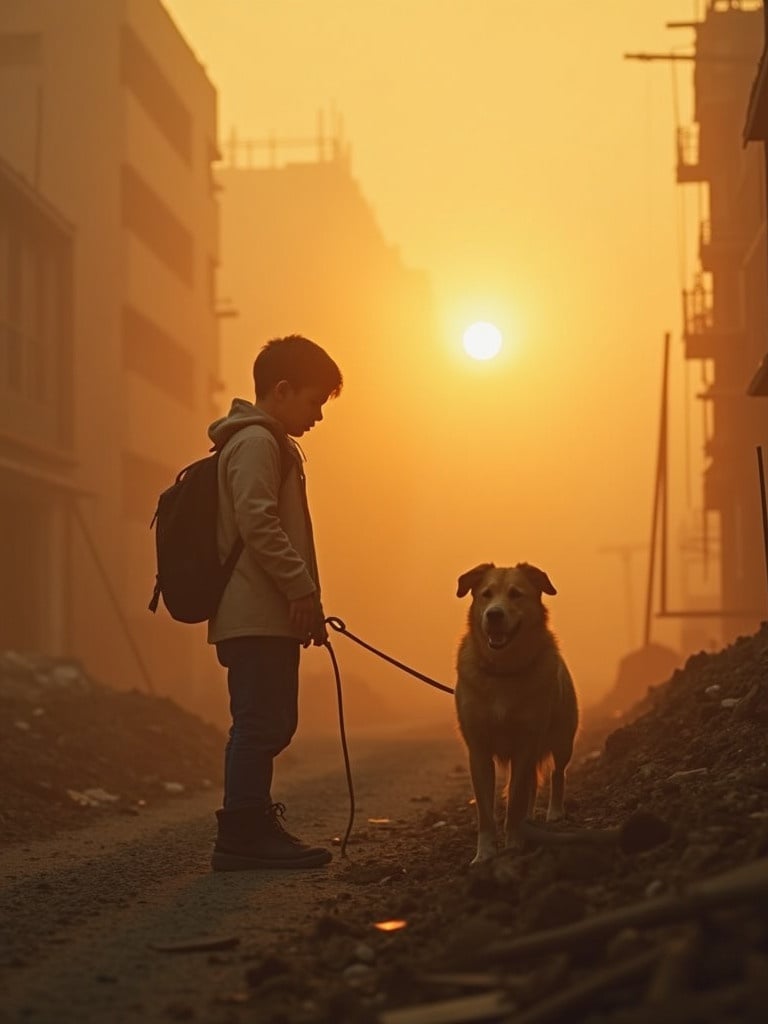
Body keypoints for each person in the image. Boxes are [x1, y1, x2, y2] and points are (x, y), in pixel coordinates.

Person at [207, 335, 343, 871]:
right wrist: (300, 589)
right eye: (314, 402)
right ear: (282, 390)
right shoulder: (258, 442)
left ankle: (251, 822)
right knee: (261, 722)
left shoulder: (263, 442)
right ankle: (242, 833)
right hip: (255, 613)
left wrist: (305, 601)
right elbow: (257, 523)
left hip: (266, 612)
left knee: (270, 721)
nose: (317, 416)